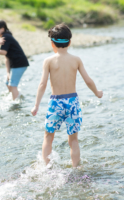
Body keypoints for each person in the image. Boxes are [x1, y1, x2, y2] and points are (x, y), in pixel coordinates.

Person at [30, 24, 103, 167]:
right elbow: (88, 80)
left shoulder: (48, 61)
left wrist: (36, 105)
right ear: (69, 42)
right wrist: (97, 93)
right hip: (72, 102)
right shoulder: (76, 60)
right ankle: (76, 168)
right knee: (73, 140)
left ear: (52, 43)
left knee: (48, 136)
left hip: (56, 102)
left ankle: (46, 167)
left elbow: (42, 84)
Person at [0, 20, 29, 100]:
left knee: (13, 85)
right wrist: (8, 73)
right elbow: (6, 57)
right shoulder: (5, 37)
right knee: (8, 83)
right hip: (15, 64)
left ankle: (16, 104)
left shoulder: (6, 37)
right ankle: (17, 97)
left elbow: (3, 52)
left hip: (19, 64)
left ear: (2, 29)